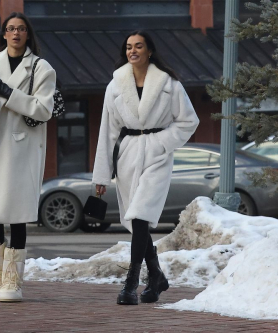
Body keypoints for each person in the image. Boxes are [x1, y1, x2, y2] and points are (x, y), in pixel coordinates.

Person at [92, 31, 199, 305]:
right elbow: (107, 132)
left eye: (138, 46)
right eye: (128, 47)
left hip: (157, 155)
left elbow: (189, 121)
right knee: (136, 222)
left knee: (140, 216)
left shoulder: (169, 84)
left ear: (149, 50)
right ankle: (157, 278)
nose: (133, 51)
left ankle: (130, 284)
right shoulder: (115, 85)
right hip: (127, 156)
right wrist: (102, 174)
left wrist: (161, 142)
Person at [0, 12, 56, 302]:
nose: (15, 33)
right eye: (10, 28)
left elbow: (44, 110)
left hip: (22, 147)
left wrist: (9, 93)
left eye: (20, 28)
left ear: (28, 34)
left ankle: (13, 280)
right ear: (3, 34)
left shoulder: (42, 68)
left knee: (16, 212)